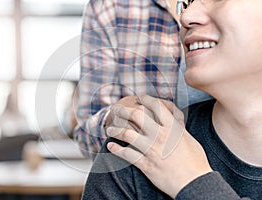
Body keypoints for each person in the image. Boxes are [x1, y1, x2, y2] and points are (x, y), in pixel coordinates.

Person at [82, 0, 262, 199]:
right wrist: (124, 121)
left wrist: (194, 181)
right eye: (186, 4)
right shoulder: (131, 155)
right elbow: (89, 123)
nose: (185, 17)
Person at [74, 0, 211, 159]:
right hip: (141, 177)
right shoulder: (109, 7)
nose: (186, 18)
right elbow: (87, 135)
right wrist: (116, 118)